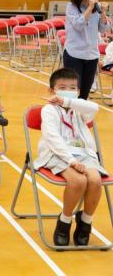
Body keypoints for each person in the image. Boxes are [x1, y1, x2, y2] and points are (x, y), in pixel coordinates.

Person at [35, 68, 108, 246]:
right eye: (62, 88)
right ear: (51, 90)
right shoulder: (49, 110)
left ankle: (85, 221)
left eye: (73, 88)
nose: (68, 90)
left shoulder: (79, 108)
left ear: (78, 91)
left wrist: (67, 100)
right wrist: (72, 161)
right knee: (78, 181)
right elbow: (52, 139)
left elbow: (94, 108)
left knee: (95, 180)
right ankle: (65, 221)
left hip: (83, 154)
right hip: (57, 154)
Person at [63, 0, 110, 99]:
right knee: (71, 92)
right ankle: (68, 111)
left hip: (91, 55)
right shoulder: (72, 6)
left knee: (84, 93)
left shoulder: (96, 7)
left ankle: (80, 111)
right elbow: (79, 25)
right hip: (74, 54)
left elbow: (103, 29)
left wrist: (103, 12)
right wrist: (89, 7)